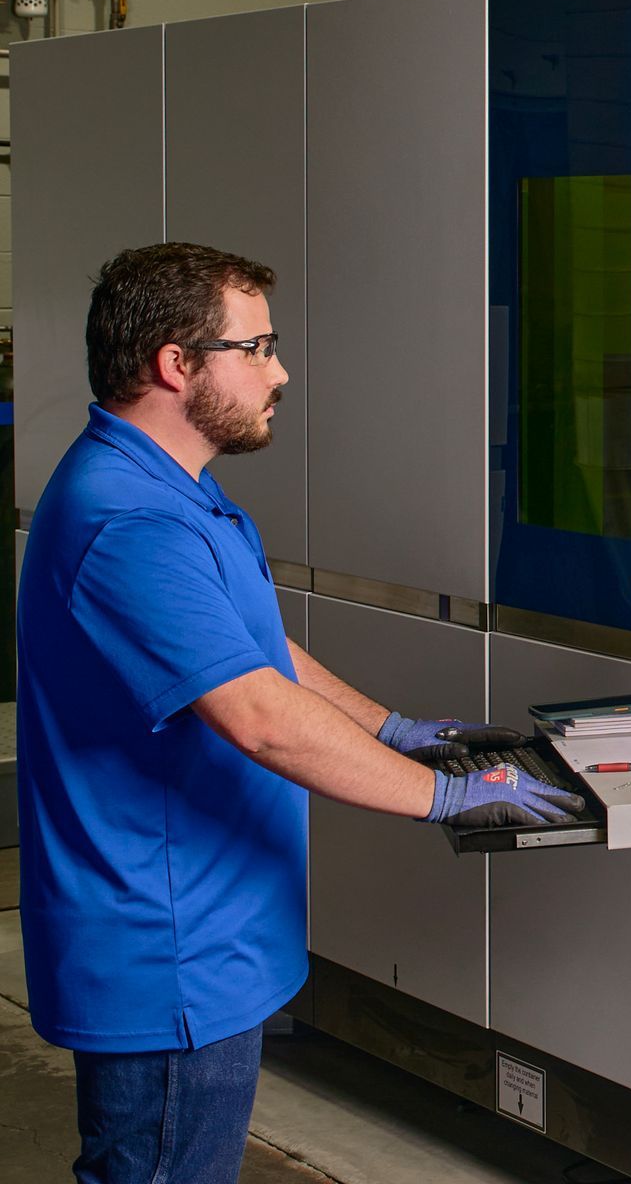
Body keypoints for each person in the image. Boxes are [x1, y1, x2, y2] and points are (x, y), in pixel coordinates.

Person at [14, 242, 584, 1184]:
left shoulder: (170, 491)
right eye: (258, 347)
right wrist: (444, 799)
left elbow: (254, 650)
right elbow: (259, 716)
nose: (280, 372)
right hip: (170, 955)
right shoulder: (132, 523)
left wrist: (397, 731)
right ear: (175, 362)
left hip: (207, 934)